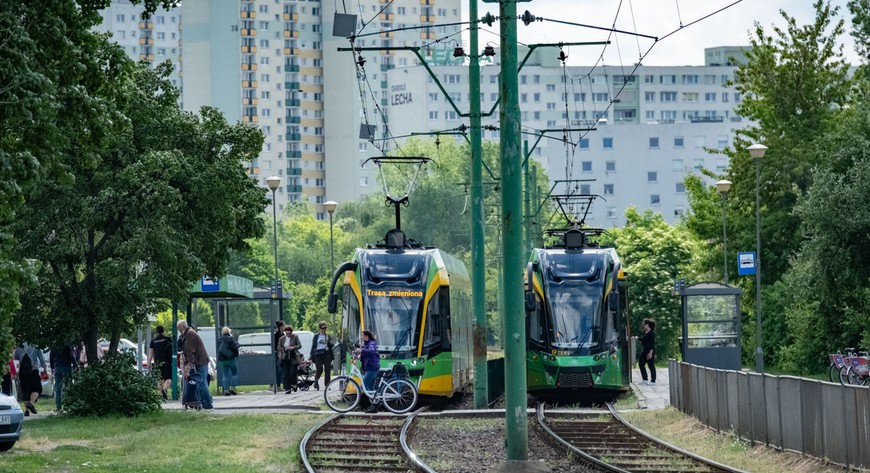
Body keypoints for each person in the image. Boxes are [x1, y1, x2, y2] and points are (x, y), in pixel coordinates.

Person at [177, 320, 213, 409]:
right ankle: (204, 402)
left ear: (183, 327)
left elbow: (190, 351)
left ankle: (208, 404)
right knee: (201, 383)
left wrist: (189, 364)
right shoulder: (188, 334)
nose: (178, 330)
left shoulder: (190, 334)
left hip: (199, 362)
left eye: (179, 328)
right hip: (199, 361)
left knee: (201, 383)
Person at [14, 342, 45, 415]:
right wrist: (44, 367)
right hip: (33, 370)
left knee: (25, 390)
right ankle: (30, 404)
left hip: (23, 372)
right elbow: (41, 358)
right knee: (37, 388)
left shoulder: (19, 346)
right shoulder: (36, 345)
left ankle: (26, 411)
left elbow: (15, 358)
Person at [356, 330, 380, 413]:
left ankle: (375, 404)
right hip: (372, 367)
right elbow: (366, 354)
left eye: (362, 336)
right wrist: (359, 356)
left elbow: (371, 351)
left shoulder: (371, 343)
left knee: (364, 386)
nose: (361, 337)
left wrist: (361, 350)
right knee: (370, 388)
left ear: (366, 336)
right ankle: (374, 405)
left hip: (372, 368)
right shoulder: (366, 344)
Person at [148, 325, 174, 400]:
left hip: (157, 362)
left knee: (159, 379)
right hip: (167, 361)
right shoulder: (167, 339)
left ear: (156, 331)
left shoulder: (153, 341)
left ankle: (161, 394)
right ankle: (165, 389)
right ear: (163, 330)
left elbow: (151, 353)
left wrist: (149, 363)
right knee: (168, 378)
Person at [49, 343, 77, 411]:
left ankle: (58, 407)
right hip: (66, 367)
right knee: (68, 386)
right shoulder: (68, 345)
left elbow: (51, 357)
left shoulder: (54, 346)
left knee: (58, 388)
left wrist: (52, 367)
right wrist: (75, 365)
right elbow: (71, 356)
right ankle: (69, 405)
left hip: (57, 368)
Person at [309, 321, 335, 391]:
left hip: (327, 354)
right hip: (318, 354)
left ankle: (327, 384)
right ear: (320, 328)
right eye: (323, 328)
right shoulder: (316, 336)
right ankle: (316, 381)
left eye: (325, 328)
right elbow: (313, 346)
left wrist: (331, 343)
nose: (324, 329)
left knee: (327, 370)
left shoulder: (328, 336)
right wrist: (311, 356)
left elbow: (331, 345)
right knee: (319, 369)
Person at [277, 325, 302, 394]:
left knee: (292, 373)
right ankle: (287, 388)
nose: (288, 335)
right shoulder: (281, 339)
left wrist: (293, 347)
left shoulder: (295, 337)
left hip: (293, 357)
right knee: (286, 374)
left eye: (289, 333)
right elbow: (278, 347)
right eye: (287, 333)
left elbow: (299, 345)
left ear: (291, 332)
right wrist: (284, 348)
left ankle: (294, 384)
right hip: (284, 357)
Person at [217, 326, 240, 396]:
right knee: (234, 373)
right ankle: (232, 388)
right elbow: (235, 348)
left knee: (225, 375)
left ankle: (226, 390)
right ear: (229, 332)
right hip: (231, 359)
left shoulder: (219, 340)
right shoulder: (231, 338)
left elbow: (219, 349)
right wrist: (236, 355)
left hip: (222, 360)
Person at [638, 318, 656, 385]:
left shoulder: (652, 333)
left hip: (650, 351)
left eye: (644, 324)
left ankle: (653, 381)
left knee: (651, 365)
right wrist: (637, 338)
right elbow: (644, 339)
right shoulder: (645, 332)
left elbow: (652, 344)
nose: (643, 326)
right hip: (645, 350)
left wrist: (651, 353)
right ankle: (645, 379)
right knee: (641, 364)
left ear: (647, 325)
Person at [272, 320, 285, 390]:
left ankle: (280, 385)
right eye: (284, 326)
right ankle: (277, 385)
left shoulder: (283, 335)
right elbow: (274, 345)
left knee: (282, 370)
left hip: (282, 354)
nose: (285, 327)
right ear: (280, 327)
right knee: (278, 370)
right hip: (277, 354)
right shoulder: (276, 335)